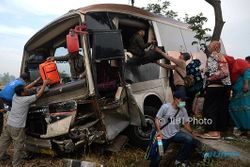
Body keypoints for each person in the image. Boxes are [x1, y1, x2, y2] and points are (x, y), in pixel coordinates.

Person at [0, 79, 49, 167]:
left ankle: (1, 156)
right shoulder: (26, 100)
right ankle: (16, 164)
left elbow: (26, 87)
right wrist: (44, 84)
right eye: (25, 90)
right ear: (22, 93)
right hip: (17, 127)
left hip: (9, 124)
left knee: (4, 142)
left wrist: (36, 81)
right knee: (18, 147)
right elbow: (38, 95)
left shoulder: (15, 95)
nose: (26, 90)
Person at [150, 90, 199, 167]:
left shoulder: (183, 109)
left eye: (184, 100)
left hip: (175, 134)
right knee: (159, 156)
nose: (183, 102)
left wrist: (192, 132)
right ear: (175, 98)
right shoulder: (165, 107)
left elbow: (185, 123)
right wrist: (159, 131)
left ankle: (178, 160)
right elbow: (157, 119)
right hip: (162, 136)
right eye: (182, 100)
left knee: (189, 139)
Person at [201, 41, 231, 139]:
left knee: (208, 109)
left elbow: (224, 72)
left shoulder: (215, 55)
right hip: (220, 86)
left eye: (210, 45)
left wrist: (209, 76)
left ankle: (213, 132)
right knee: (218, 109)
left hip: (214, 86)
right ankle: (217, 131)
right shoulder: (219, 56)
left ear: (214, 47)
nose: (208, 47)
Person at [225, 55, 250, 138]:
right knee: (232, 108)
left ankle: (248, 130)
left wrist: (246, 84)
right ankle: (243, 128)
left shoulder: (238, 62)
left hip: (245, 90)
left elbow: (247, 70)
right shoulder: (226, 69)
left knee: (246, 108)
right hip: (237, 92)